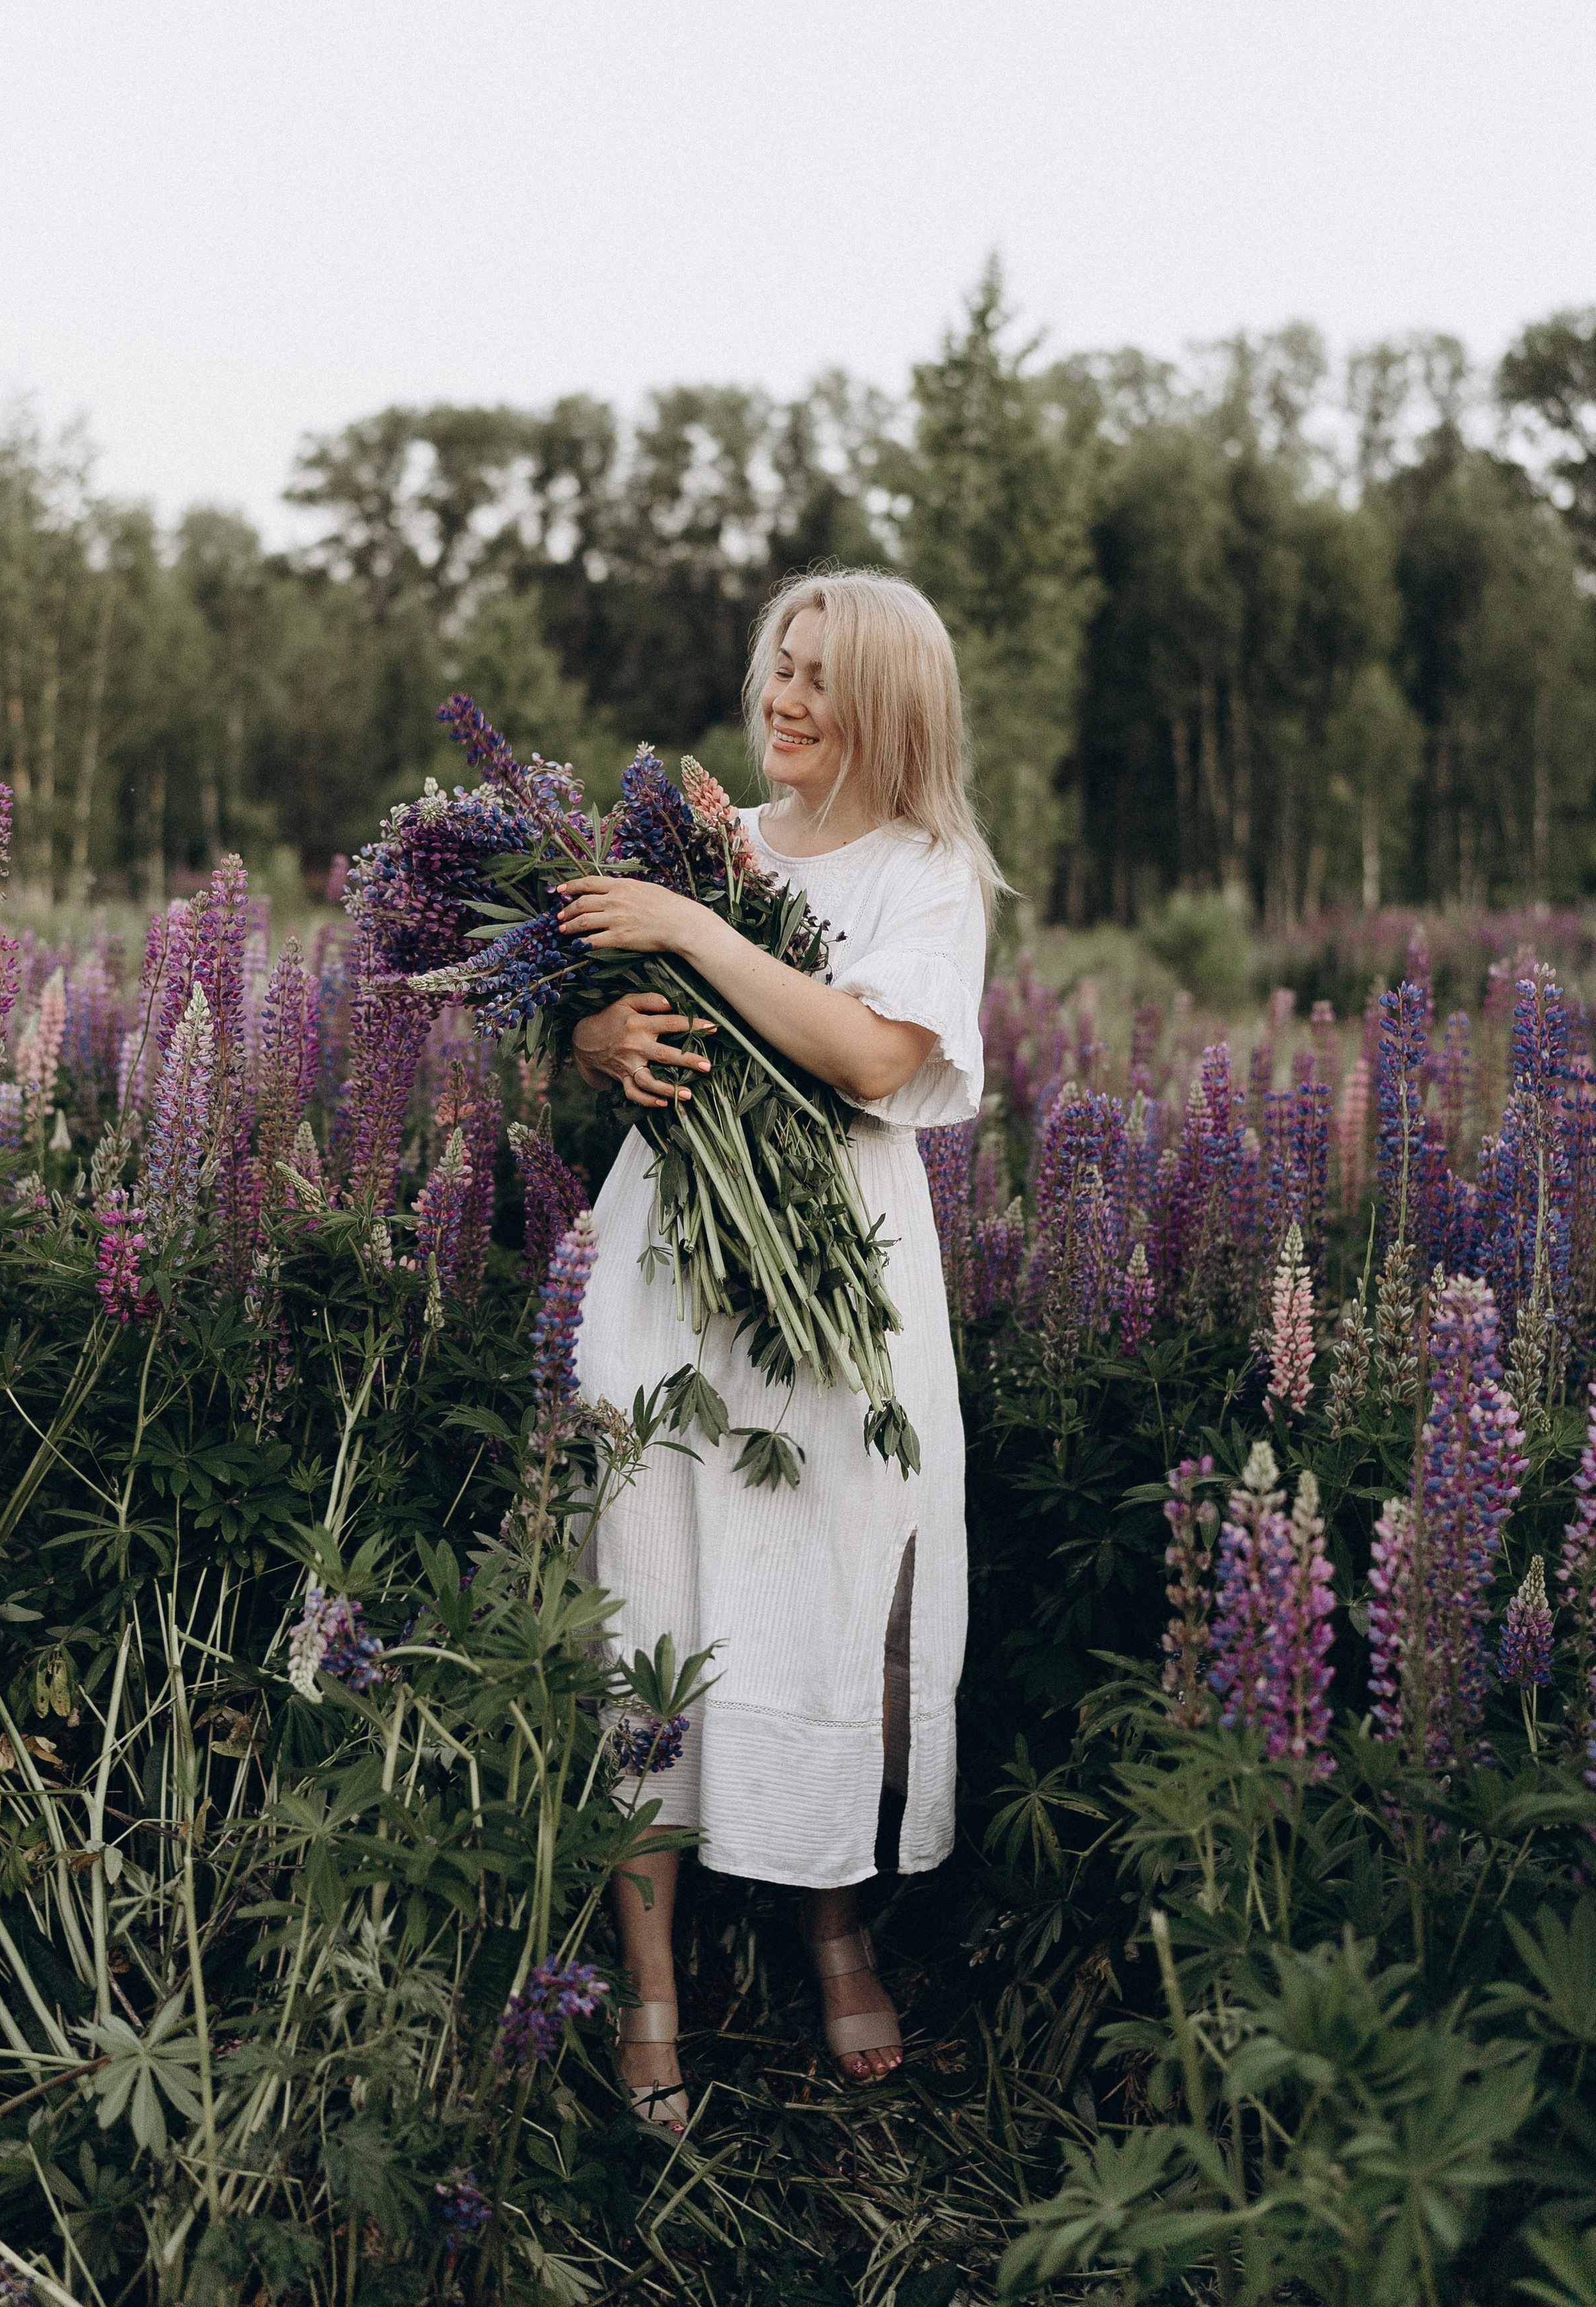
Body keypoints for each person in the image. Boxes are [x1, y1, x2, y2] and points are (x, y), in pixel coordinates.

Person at [555, 569, 997, 2127]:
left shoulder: (925, 870)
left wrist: (690, 922)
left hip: (835, 1295)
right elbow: (597, 1021)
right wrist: (596, 1037)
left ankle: (829, 1915)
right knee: (648, 1584)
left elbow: (876, 1051)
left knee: (827, 1581)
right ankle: (651, 1988)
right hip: (664, 1269)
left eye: (819, 677)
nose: (784, 699)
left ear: (889, 704)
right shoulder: (708, 842)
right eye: (778, 667)